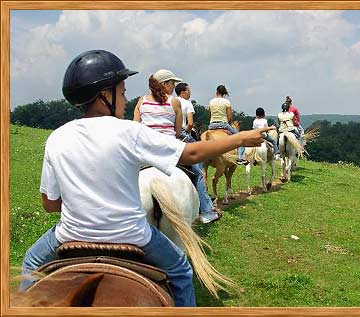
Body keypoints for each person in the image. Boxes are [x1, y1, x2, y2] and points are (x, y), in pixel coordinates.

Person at [20, 49, 272, 307]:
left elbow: (50, 204)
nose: (126, 99)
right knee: (183, 271)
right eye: (122, 91)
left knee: (29, 263)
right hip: (132, 236)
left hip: (70, 235)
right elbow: (192, 152)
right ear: (104, 95)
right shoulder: (129, 131)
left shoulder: (57, 137)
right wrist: (241, 138)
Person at [175, 82, 221, 224]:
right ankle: (207, 209)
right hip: (182, 133)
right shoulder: (187, 103)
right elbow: (189, 123)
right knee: (199, 172)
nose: (190, 93)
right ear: (183, 92)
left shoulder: (170, 101)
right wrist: (187, 135)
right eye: (188, 90)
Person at [132, 69, 183, 139]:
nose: (174, 86)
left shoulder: (142, 101)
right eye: (172, 83)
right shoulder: (174, 102)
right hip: (168, 145)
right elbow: (178, 133)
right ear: (164, 84)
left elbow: (136, 127)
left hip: (145, 145)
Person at [207, 85, 248, 165]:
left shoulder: (211, 101)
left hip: (211, 125)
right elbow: (229, 116)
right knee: (241, 139)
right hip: (224, 125)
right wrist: (228, 122)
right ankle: (241, 158)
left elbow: (209, 114)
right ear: (224, 93)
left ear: (216, 92)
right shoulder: (226, 102)